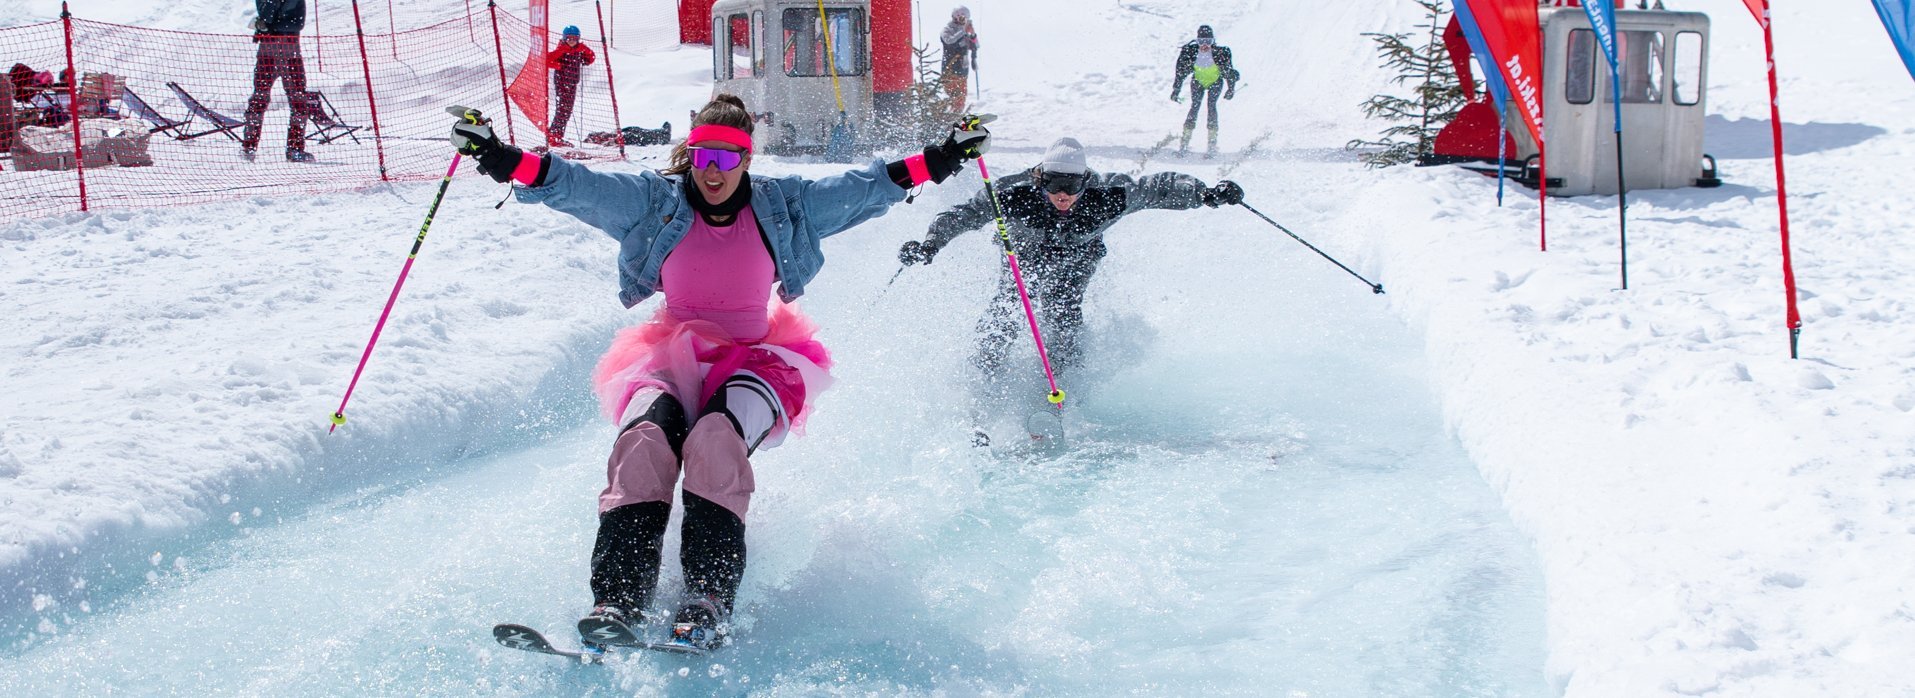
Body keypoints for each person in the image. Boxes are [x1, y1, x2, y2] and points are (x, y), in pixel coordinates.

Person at [449, 94, 989, 651]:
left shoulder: (785, 205)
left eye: (726, 160)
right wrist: (498, 155)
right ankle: (618, 598)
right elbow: (578, 185)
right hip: (669, 352)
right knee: (644, 444)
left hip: (757, 359)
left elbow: (866, 187)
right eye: (703, 156)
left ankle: (707, 597)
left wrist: (943, 156)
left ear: (746, 160)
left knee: (713, 438)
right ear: (690, 154)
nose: (713, 172)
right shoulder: (653, 201)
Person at [896, 137, 1243, 395]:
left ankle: (1063, 381)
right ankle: (982, 376)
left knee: (1064, 314)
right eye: (1054, 185)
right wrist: (930, 245)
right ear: (1040, 179)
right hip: (1024, 257)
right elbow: (964, 215)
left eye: (1072, 186)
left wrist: (1205, 193)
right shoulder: (1013, 193)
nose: (1063, 195)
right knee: (1007, 308)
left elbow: (1157, 188)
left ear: (1085, 181)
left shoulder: (1107, 194)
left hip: (1078, 259)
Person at [242, 0, 323, 162]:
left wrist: (270, 27)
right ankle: (248, 147)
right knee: (259, 98)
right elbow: (266, 15)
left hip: (290, 54)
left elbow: (296, 24)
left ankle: (295, 149)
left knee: (299, 101)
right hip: (267, 54)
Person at [1169, 25, 1238, 158]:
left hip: (1215, 82)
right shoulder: (1190, 52)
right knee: (1194, 108)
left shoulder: (1221, 53)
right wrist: (1176, 90)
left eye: (1208, 42)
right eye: (1201, 42)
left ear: (1213, 41)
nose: (1205, 45)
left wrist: (1231, 89)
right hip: (1198, 81)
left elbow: (1229, 72)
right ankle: (1184, 144)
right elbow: (1180, 73)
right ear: (1197, 41)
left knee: (1211, 107)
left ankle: (1212, 145)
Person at [547, 25, 597, 148]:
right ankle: (554, 136)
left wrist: (583, 48)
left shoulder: (578, 50)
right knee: (562, 111)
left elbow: (591, 58)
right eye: (569, 39)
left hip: (572, 84)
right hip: (562, 84)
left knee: (566, 111)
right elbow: (547, 60)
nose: (572, 42)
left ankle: (555, 135)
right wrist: (559, 66)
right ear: (564, 38)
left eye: (575, 39)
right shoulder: (561, 49)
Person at [939, 6, 978, 114]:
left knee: (961, 98)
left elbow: (975, 45)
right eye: (960, 17)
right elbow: (950, 42)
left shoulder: (965, 30)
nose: (962, 20)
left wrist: (972, 34)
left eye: (965, 18)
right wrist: (963, 31)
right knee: (953, 96)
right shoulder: (948, 29)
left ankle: (956, 118)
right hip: (950, 68)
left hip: (963, 69)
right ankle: (948, 119)